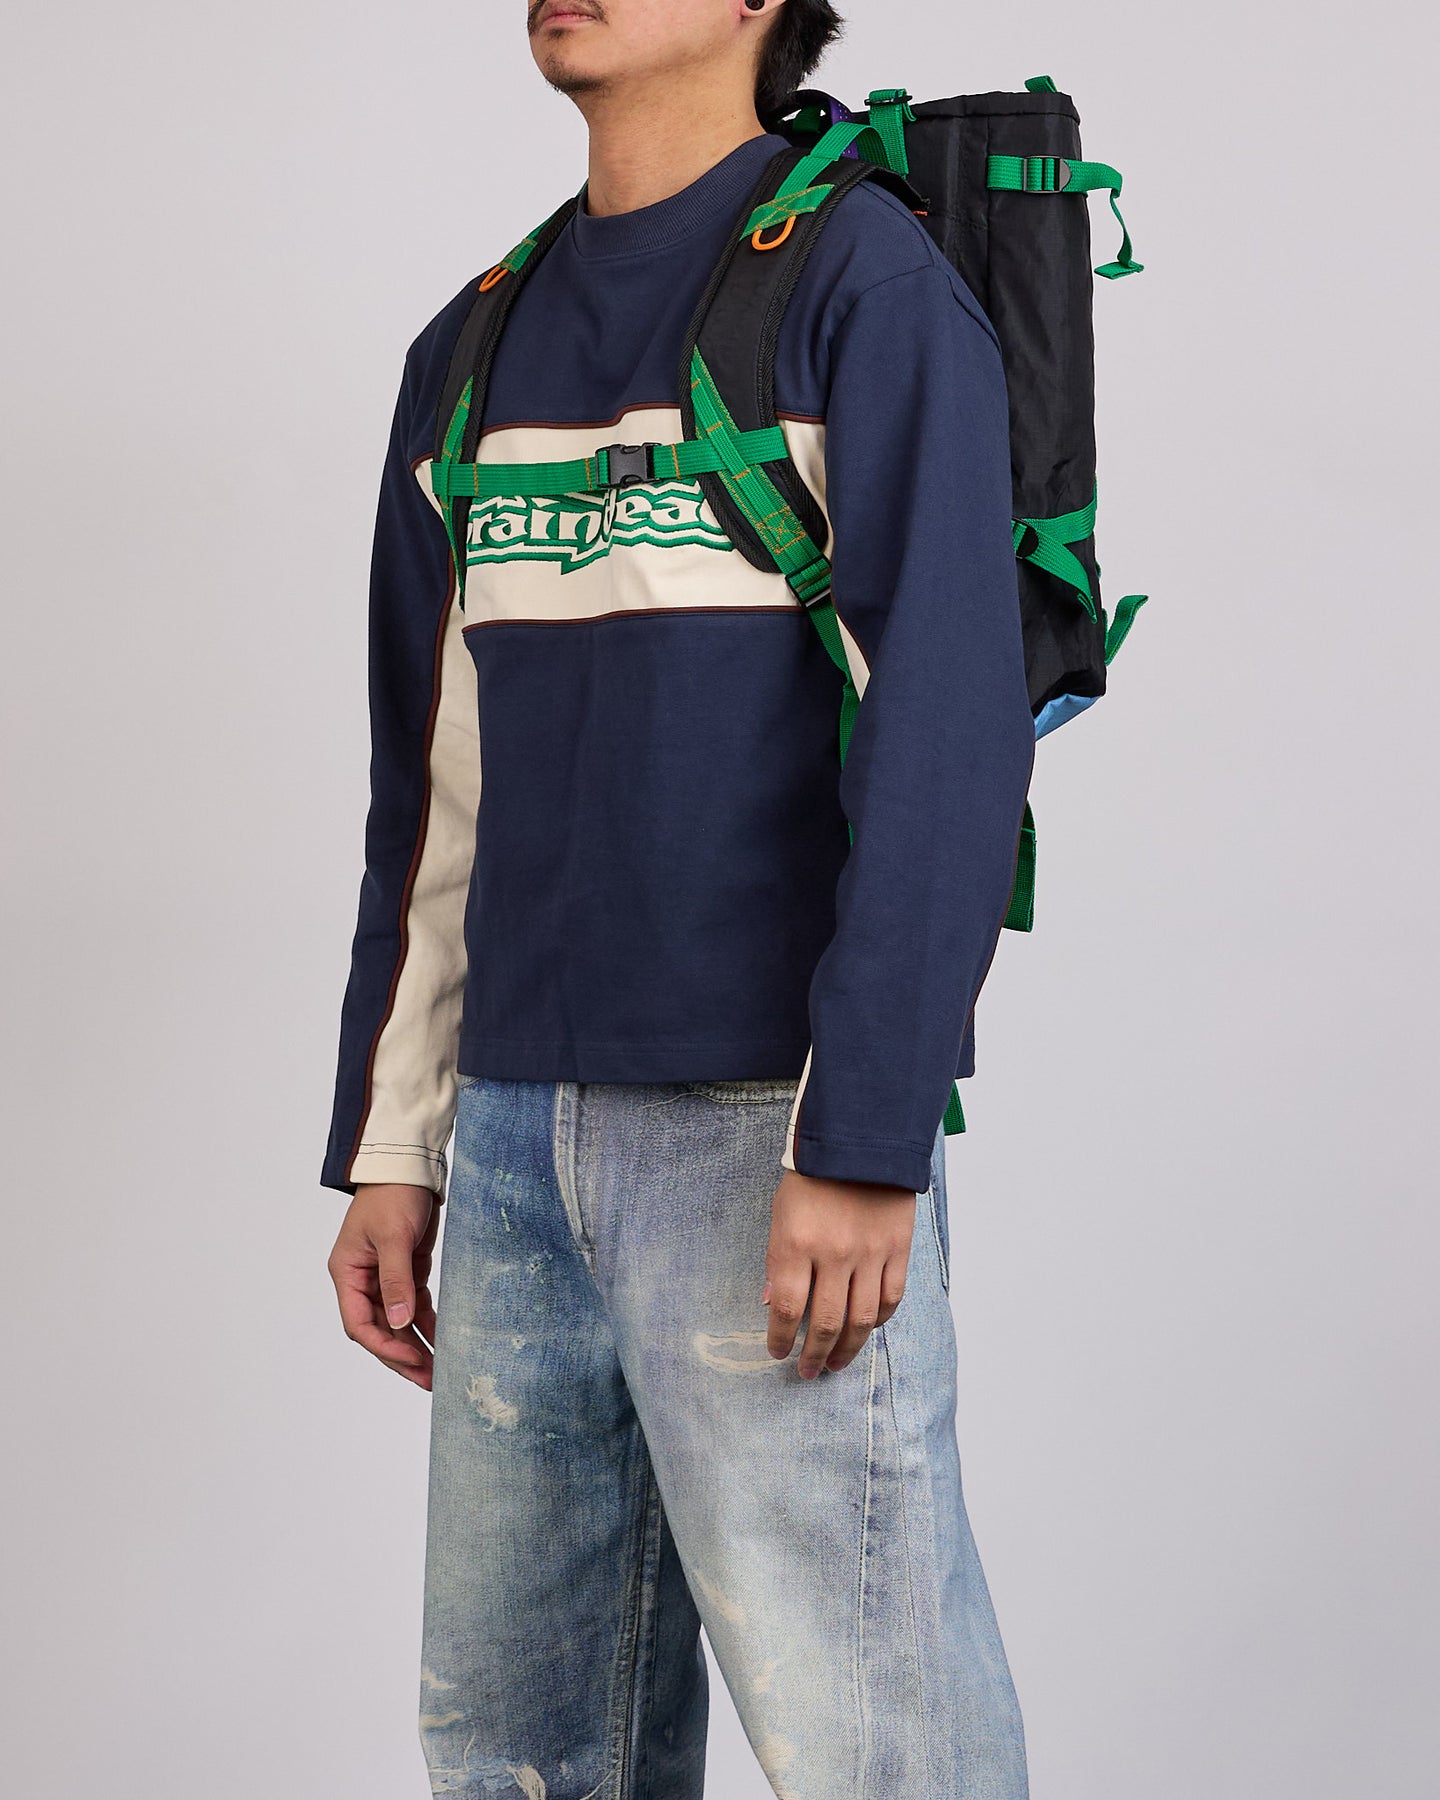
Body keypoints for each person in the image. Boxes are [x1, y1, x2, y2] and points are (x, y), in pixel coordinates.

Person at [320, 1, 1035, 1793]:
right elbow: (435, 783)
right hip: (509, 1142)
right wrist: (397, 1143)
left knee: (873, 1748)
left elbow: (948, 744)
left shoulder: (867, 286)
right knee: (520, 1750)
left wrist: (864, 1136)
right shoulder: (473, 342)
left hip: (760, 1134)